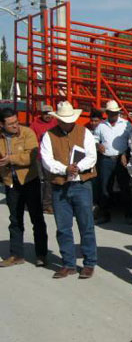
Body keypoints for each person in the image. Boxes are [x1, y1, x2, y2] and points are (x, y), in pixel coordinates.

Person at [41, 101, 98, 279]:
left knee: (86, 225)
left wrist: (77, 168)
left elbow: (92, 156)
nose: (67, 123)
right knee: (63, 227)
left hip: (81, 183)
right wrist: (65, 169)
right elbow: (46, 160)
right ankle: (68, 263)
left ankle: (89, 262)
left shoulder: (84, 132)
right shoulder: (48, 136)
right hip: (60, 184)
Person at [0, 108, 48, 268]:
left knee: (37, 218)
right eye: (11, 124)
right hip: (11, 182)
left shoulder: (27, 133)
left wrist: (10, 159)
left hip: (29, 180)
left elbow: (31, 156)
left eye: (16, 121)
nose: (15, 126)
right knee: (15, 220)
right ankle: (16, 254)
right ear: (2, 125)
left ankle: (41, 254)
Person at [93, 100, 132, 224]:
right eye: (111, 112)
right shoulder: (101, 126)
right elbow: (94, 139)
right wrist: (97, 145)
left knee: (125, 186)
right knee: (105, 187)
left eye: (115, 112)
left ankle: (130, 214)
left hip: (121, 158)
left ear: (118, 112)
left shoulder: (126, 125)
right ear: (107, 113)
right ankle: (105, 214)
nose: (113, 115)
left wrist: (125, 154)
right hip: (106, 159)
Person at [30, 104, 58, 214]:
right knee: (44, 181)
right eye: (45, 113)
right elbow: (32, 141)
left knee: (51, 180)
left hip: (53, 156)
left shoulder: (55, 123)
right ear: (41, 114)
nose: (47, 116)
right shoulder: (34, 125)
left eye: (49, 113)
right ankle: (45, 205)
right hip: (40, 156)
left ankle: (47, 203)